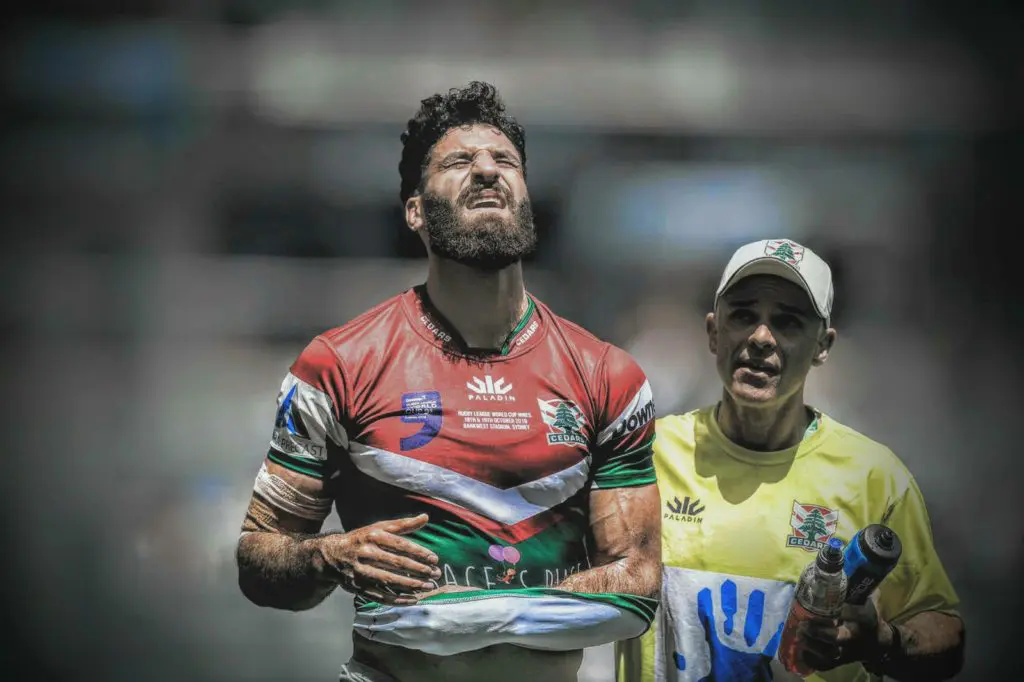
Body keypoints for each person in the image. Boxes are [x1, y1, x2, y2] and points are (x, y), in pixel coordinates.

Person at [235, 81, 662, 682]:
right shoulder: (338, 364)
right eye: (459, 161)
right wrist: (330, 554)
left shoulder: (607, 375)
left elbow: (636, 582)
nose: (487, 170)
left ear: (525, 196)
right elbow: (259, 559)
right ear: (415, 210)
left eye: (505, 161)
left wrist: (458, 616)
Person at [616, 239, 964, 682]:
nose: (761, 337)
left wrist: (880, 642)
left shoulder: (875, 478)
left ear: (823, 345)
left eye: (788, 322)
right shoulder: (644, 454)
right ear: (713, 332)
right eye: (743, 315)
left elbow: (945, 637)